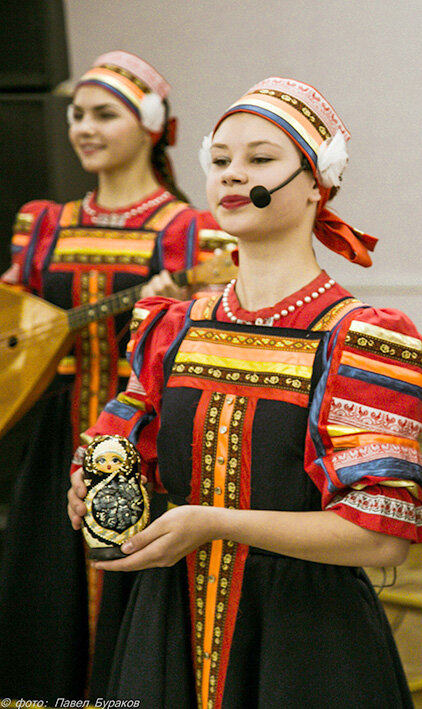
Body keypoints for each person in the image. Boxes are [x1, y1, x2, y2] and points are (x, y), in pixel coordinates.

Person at [67, 76, 422, 708]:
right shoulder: (172, 329)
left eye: (260, 159)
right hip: (168, 633)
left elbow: (383, 535)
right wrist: (92, 486)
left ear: (316, 184)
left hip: (305, 648)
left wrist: (213, 524)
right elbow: (115, 445)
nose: (234, 175)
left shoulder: (358, 338)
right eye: (219, 161)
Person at [0, 50, 229, 700]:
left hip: (144, 442)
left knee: (132, 598)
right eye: (77, 115)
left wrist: (170, 308)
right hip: (56, 437)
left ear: (152, 124)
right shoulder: (44, 222)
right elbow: (12, 327)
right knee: (48, 601)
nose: (85, 127)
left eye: (105, 113)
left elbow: (207, 338)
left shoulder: (188, 230)